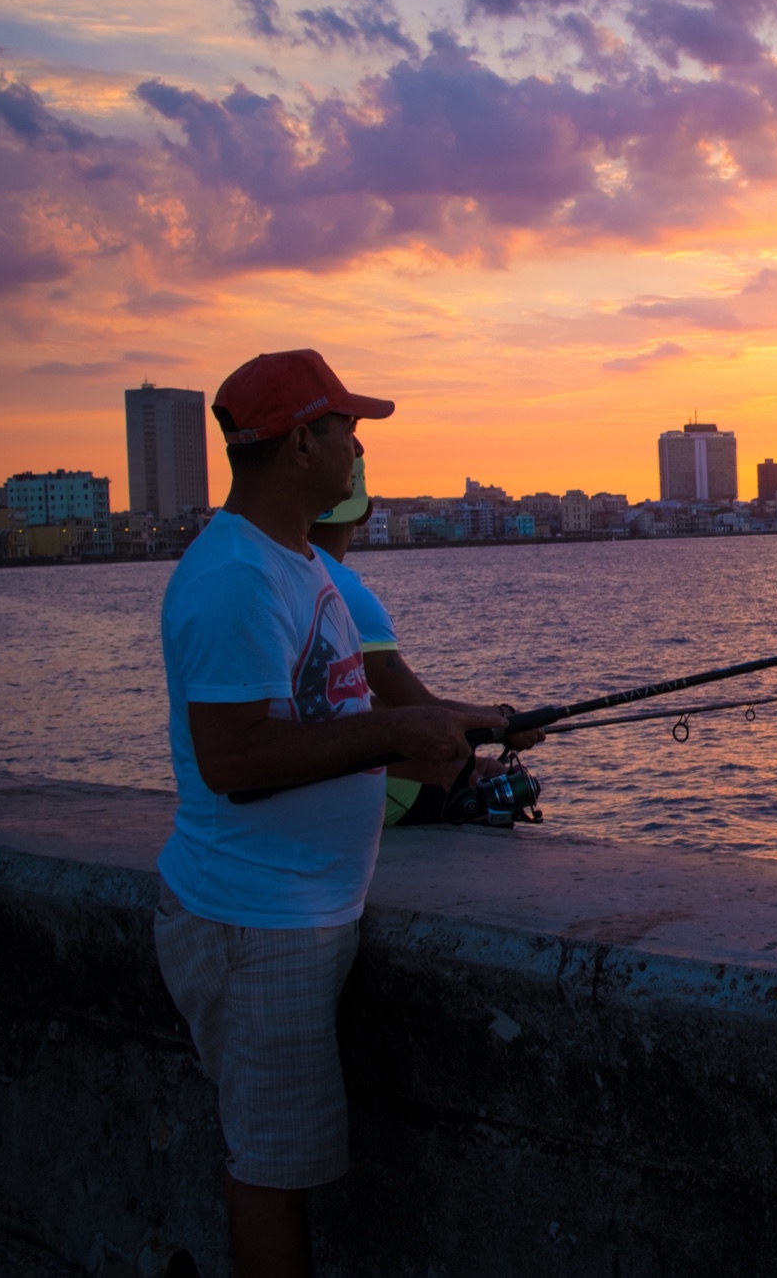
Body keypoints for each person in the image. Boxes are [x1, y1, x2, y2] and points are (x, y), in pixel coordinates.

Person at [154, 348, 505, 1278]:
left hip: (294, 912)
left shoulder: (296, 560)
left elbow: (331, 710)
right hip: (256, 920)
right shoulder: (235, 577)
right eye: (347, 429)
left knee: (280, 1158)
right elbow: (236, 759)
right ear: (301, 442)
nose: (359, 449)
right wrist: (398, 734)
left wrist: (477, 723)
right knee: (271, 1169)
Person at [307, 458, 538, 825]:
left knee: (464, 771)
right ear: (366, 512)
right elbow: (420, 706)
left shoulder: (277, 570)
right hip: (313, 794)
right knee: (467, 795)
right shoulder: (345, 593)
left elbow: (347, 705)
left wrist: (483, 739)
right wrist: (507, 719)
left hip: (297, 763)